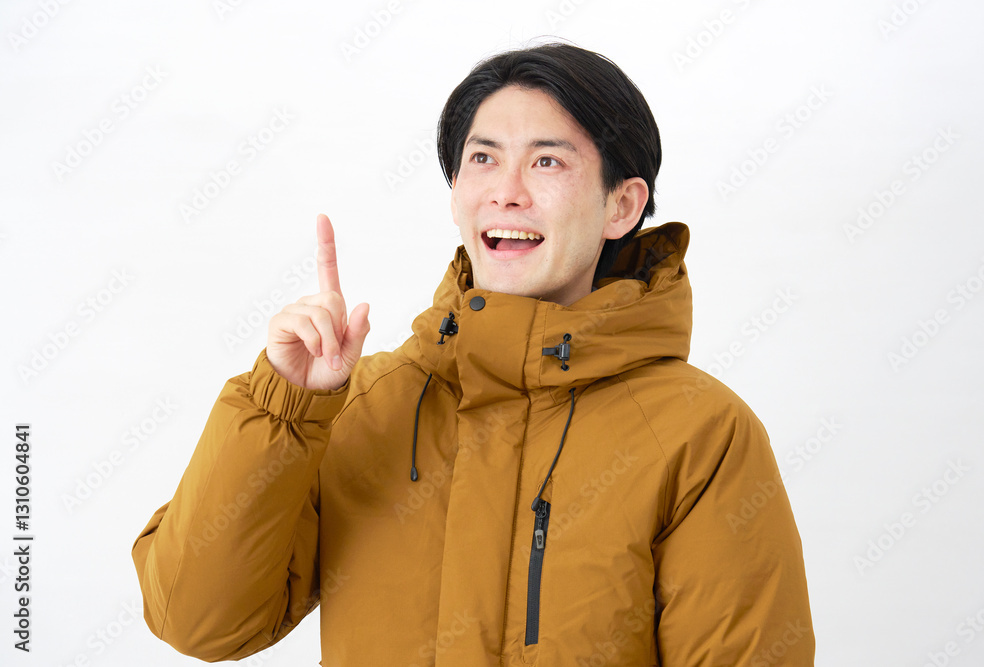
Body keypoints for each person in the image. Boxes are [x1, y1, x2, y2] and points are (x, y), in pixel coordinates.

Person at [132, 41, 815, 665]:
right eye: (483, 158)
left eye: (547, 161)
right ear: (456, 192)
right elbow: (199, 621)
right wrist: (285, 408)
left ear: (622, 205)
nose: (506, 192)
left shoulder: (699, 434)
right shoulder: (364, 405)